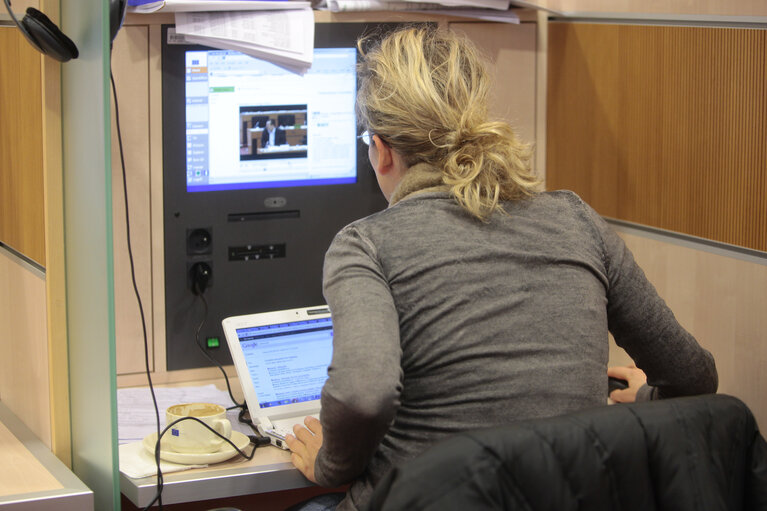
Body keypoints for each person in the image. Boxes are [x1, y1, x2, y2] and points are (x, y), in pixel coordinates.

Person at [285, 26, 717, 511]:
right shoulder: (576, 219)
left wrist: (331, 463)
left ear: (382, 149)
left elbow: (364, 395)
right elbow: (694, 377)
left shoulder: (365, 244)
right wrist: (649, 400)